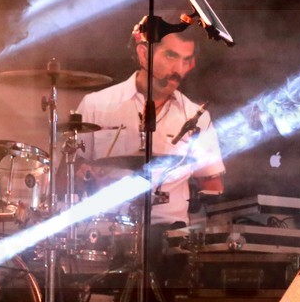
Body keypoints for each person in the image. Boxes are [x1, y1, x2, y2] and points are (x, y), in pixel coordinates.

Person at [75, 17, 225, 230]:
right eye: (171, 56)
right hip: (105, 231)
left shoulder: (197, 116)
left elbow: (211, 184)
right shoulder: (95, 105)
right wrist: (85, 178)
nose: (179, 69)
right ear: (143, 54)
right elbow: (67, 177)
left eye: (186, 60)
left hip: (171, 236)